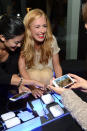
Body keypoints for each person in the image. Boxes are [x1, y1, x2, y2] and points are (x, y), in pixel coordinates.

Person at [0, 15, 44, 113]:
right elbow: (2, 76)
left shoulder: (15, 48)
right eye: (16, 42)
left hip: (5, 93)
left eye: (21, 42)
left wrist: (20, 86)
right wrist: (33, 82)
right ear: (2, 37)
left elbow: (14, 71)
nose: (19, 45)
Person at [18, 9, 62, 97]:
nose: (42, 31)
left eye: (44, 26)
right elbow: (22, 68)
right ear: (28, 28)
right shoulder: (22, 42)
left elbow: (57, 65)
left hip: (49, 87)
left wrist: (60, 85)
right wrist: (33, 88)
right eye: (37, 27)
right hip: (29, 86)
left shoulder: (51, 39)